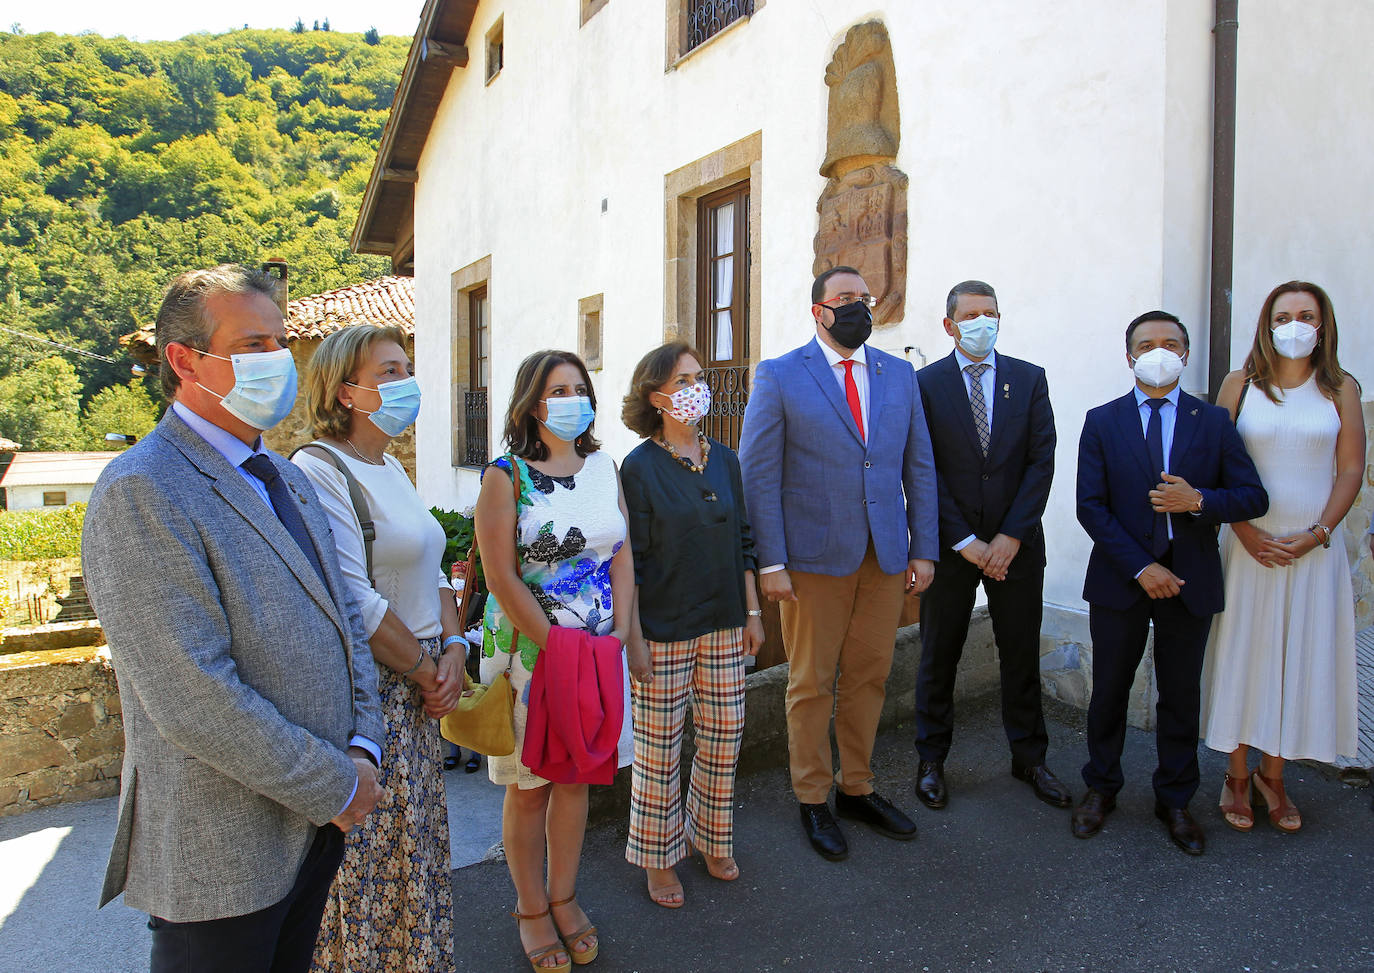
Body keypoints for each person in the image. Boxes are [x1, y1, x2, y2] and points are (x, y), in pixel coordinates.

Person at [81, 265, 385, 973]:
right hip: (223, 853)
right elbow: (192, 694)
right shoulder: (142, 488)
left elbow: (344, 615)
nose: (278, 360)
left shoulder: (279, 473)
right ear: (184, 360)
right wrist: (335, 784)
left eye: (278, 341)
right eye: (253, 344)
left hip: (310, 831)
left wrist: (365, 744)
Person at [738, 265, 938, 862]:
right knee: (811, 682)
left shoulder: (899, 375)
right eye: (844, 298)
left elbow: (918, 467)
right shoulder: (779, 376)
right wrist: (769, 561)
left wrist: (924, 547)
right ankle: (812, 797)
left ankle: (857, 787)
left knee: (871, 673)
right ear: (817, 310)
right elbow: (758, 476)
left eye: (864, 298)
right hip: (811, 561)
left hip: (884, 555)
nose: (856, 306)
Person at [291, 325, 462, 971]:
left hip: (419, 686)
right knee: (374, 867)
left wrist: (453, 649)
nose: (405, 381)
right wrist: (426, 670)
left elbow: (435, 571)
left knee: (414, 855)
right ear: (347, 390)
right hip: (377, 697)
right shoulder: (319, 467)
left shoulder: (389, 465)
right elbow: (354, 600)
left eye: (406, 366)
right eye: (388, 371)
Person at [1073, 311, 1267, 856]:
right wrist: (1142, 566)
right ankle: (1101, 788)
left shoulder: (1214, 423)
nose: (1159, 351)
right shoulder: (1102, 421)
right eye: (1147, 344)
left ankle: (1175, 799)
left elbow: (1253, 496)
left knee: (1180, 695)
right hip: (1122, 579)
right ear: (1129, 355)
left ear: (1185, 354)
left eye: (1171, 343)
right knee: (1109, 691)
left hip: (1191, 579)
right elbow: (1091, 506)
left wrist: (1199, 501)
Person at [474, 350, 634, 971]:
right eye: (556, 389)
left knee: (576, 779)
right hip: (527, 656)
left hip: (597, 652)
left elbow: (621, 555)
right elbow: (501, 576)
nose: (571, 398)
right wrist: (557, 644)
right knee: (531, 785)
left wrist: (622, 636)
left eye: (579, 387)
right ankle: (531, 908)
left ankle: (565, 897)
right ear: (530, 404)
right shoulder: (504, 475)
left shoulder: (603, 468)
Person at [1202, 281, 1365, 834]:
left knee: (1300, 653)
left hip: (1313, 550)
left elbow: (1349, 470)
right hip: (1251, 546)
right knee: (1248, 654)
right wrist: (1242, 529)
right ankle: (1237, 774)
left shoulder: (1340, 388)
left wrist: (1319, 533)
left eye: (1306, 315)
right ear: (1266, 323)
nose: (1294, 324)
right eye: (1283, 315)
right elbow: (1215, 465)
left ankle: (1276, 774)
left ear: (1323, 325)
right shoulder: (1240, 384)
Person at [619, 341, 765, 908]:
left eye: (698, 378)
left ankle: (710, 835)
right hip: (663, 626)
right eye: (683, 381)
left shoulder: (725, 459)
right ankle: (658, 857)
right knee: (659, 747)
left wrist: (753, 612)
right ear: (657, 396)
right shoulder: (639, 467)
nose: (695, 388)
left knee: (725, 735)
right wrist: (632, 636)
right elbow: (629, 558)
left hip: (726, 621)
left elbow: (744, 541)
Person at [914, 281, 1069, 811]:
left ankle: (1030, 757)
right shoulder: (926, 385)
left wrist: (1009, 536)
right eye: (972, 314)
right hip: (952, 545)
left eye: (992, 313)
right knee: (939, 653)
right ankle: (931, 759)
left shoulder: (1029, 380)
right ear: (949, 325)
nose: (983, 322)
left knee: (1020, 653)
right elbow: (923, 467)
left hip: (1016, 545)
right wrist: (964, 540)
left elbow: (1040, 462)